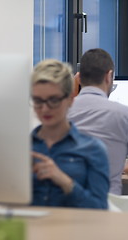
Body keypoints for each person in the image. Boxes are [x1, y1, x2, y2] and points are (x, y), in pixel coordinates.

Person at [67, 48, 128, 195]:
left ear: (79, 78)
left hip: (63, 208)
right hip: (106, 209)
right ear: (109, 76)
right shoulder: (127, 116)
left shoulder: (58, 113)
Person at [31, 59, 110, 209]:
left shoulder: (92, 149)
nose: (45, 109)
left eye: (53, 100)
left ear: (70, 99)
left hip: (74, 231)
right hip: (30, 230)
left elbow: (100, 211)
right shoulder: (23, 148)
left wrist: (65, 182)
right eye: (38, 101)